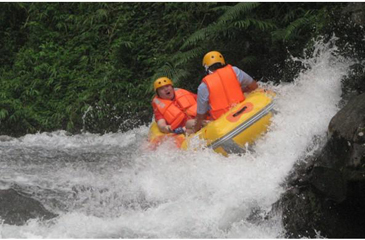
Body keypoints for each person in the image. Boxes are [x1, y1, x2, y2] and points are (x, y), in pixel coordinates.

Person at [194, 51, 258, 133]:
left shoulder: (203, 87)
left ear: (206, 68)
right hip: (244, 110)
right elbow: (254, 86)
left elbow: (200, 116)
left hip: (224, 125)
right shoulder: (235, 71)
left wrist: (195, 132)